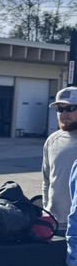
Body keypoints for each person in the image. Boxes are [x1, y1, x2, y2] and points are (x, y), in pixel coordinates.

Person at [42, 87, 77, 227]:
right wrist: (47, 213)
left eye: (70, 108)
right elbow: (46, 180)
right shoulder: (52, 140)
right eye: (60, 109)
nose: (64, 114)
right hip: (57, 223)